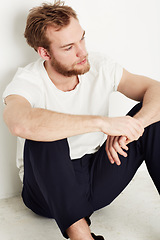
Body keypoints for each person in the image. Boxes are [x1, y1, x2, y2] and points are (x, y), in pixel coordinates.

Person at [2, 1, 160, 240]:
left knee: (152, 117)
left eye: (82, 39)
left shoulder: (99, 65)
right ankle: (82, 237)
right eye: (68, 48)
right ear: (45, 52)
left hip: (97, 176)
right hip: (46, 191)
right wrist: (101, 123)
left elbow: (155, 90)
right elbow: (18, 123)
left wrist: (131, 128)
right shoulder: (28, 80)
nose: (82, 52)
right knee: (43, 130)